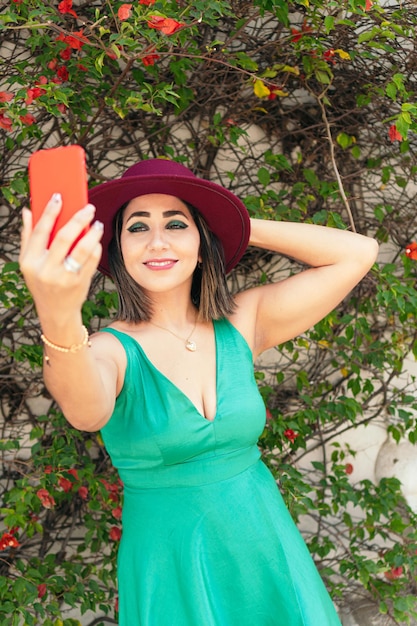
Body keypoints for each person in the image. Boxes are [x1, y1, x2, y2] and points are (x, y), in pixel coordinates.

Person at [19, 157, 378, 626]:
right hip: (174, 568)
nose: (158, 241)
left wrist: (229, 217)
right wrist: (58, 313)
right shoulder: (109, 351)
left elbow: (358, 252)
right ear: (117, 248)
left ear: (202, 241)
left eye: (176, 223)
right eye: (137, 227)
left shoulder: (242, 323)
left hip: (267, 549)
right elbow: (86, 412)